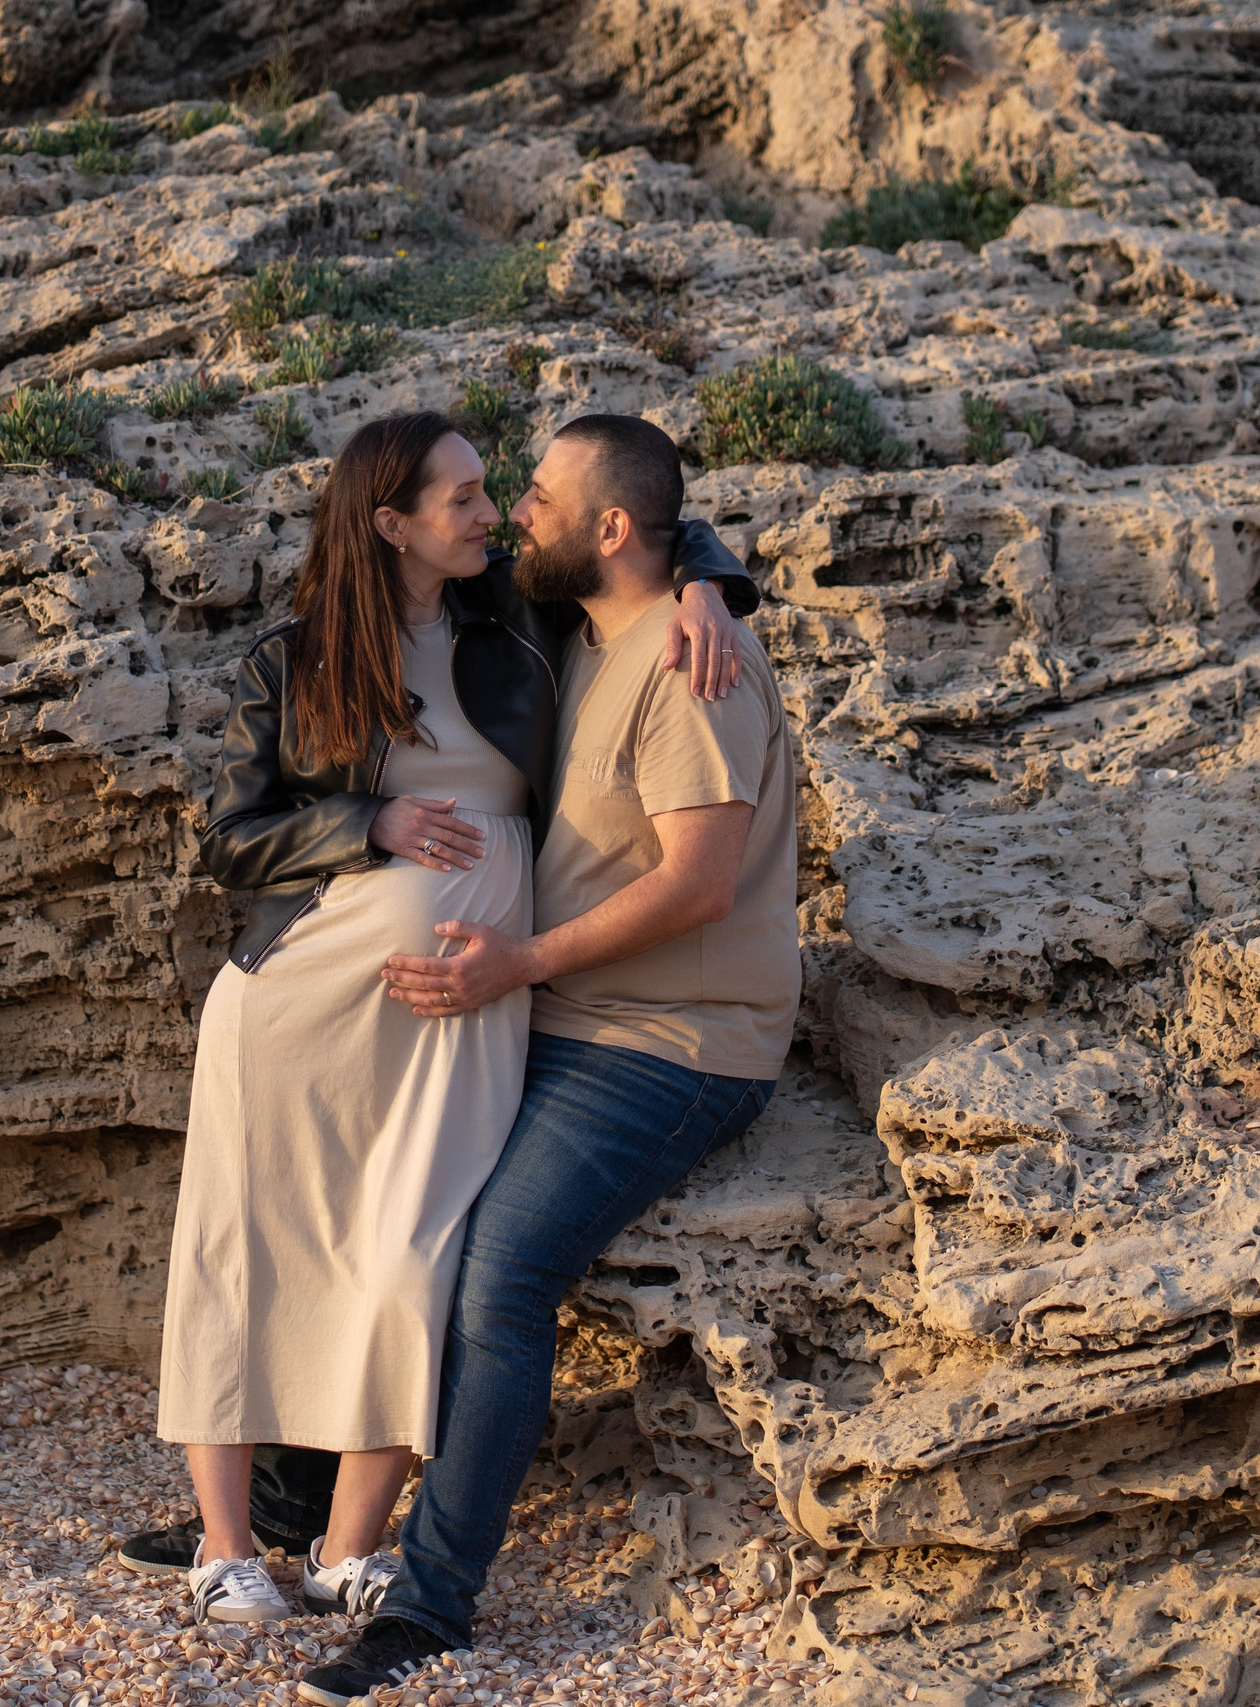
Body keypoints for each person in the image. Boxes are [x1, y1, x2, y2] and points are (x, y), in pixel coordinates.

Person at [125, 410, 760, 1625]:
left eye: (491, 494)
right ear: (390, 524)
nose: (492, 514)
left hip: (467, 1001)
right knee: (243, 1243)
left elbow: (637, 527)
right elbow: (225, 837)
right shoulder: (291, 658)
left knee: (413, 1251)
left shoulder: (517, 615)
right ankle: (226, 1548)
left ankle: (346, 1551)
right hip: (303, 997)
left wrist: (709, 587)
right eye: (464, 498)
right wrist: (366, 823)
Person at [294, 414, 800, 1702]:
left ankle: (431, 1605)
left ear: (610, 530)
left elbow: (699, 883)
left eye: (537, 494)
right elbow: (673, 534)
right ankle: (286, 1507)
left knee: (501, 1269)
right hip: (564, 1020)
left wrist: (515, 963)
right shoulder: (582, 627)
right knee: (391, 1201)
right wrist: (704, 569)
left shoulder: (698, 669)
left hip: (672, 1044)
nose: (516, 510)